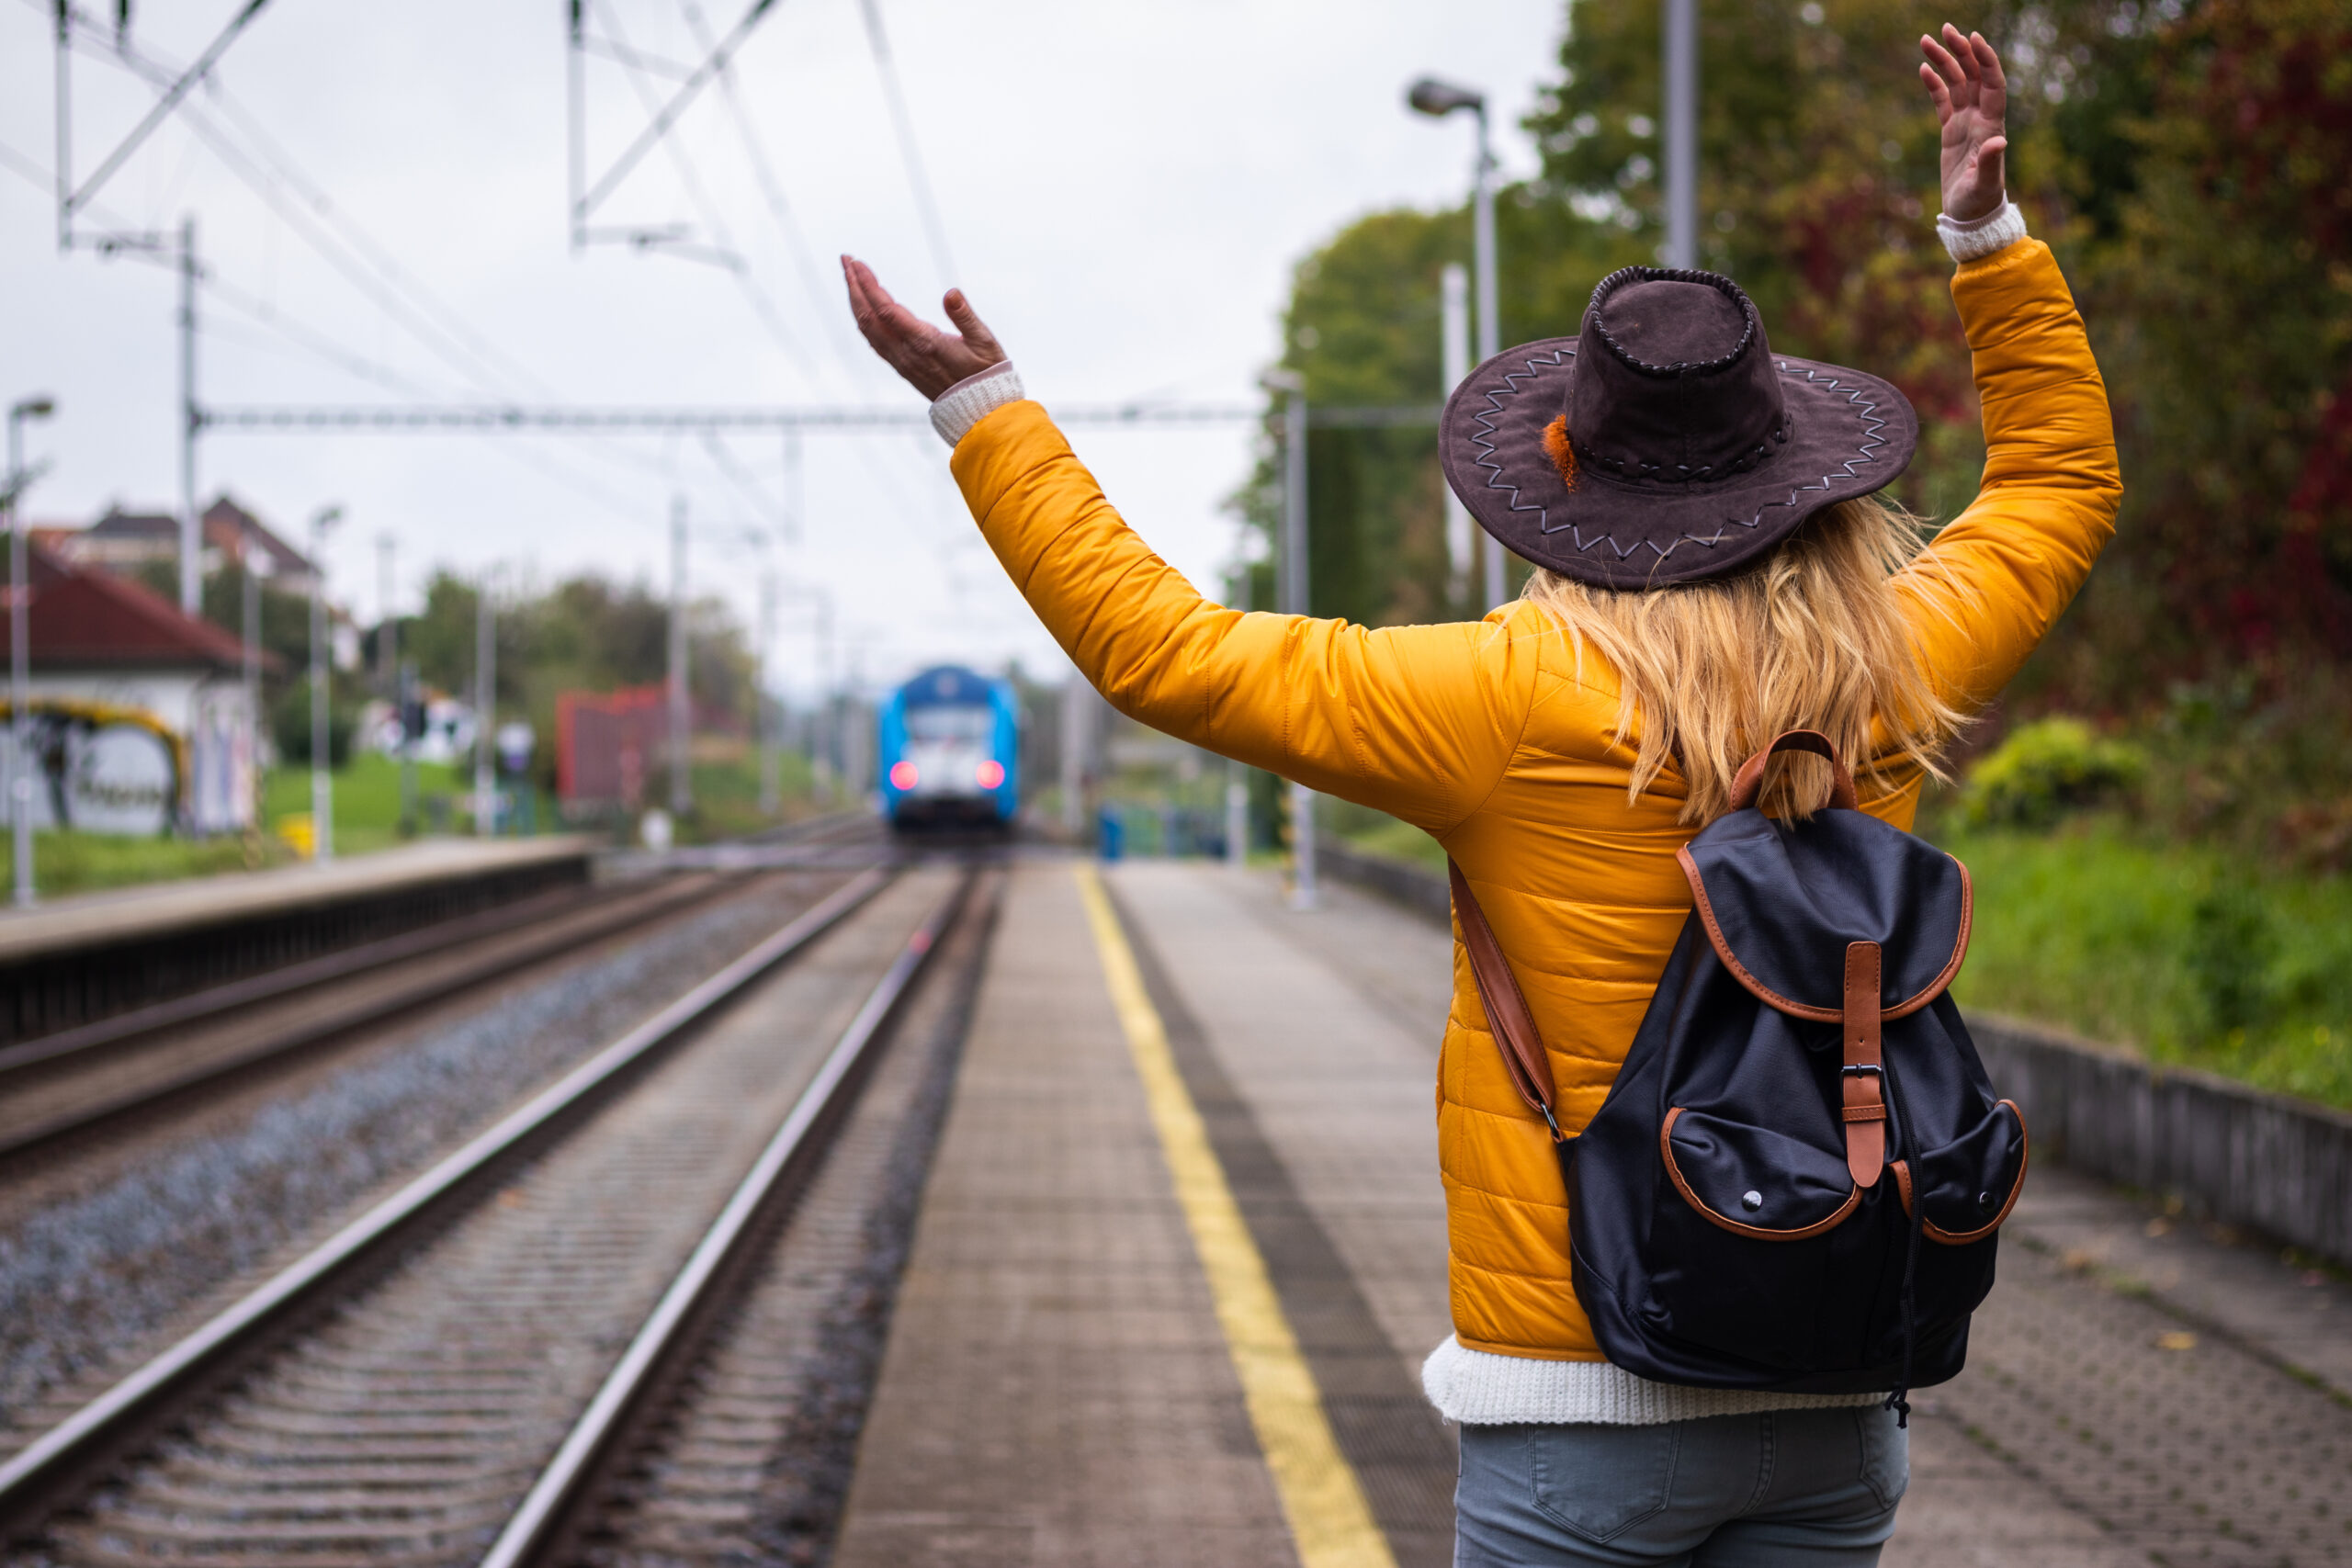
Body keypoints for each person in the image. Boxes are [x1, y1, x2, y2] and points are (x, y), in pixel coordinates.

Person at [845, 24, 2116, 1567]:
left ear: (1568, 484)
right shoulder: (1896, 660)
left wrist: (986, 407)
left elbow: (1160, 652)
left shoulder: (1501, 698)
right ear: (1798, 471)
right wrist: (1984, 234)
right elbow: (2057, 481)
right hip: (1837, 1380)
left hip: (1581, 1405)